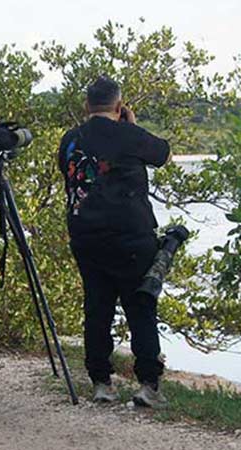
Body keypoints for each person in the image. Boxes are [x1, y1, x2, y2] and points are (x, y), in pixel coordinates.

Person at [57, 75, 170, 408]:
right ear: (119, 106)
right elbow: (162, 153)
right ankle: (148, 385)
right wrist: (131, 126)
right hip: (132, 236)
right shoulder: (129, 135)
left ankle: (101, 383)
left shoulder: (71, 139)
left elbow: (65, 169)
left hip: (86, 235)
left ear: (86, 106)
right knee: (141, 308)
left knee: (97, 307)